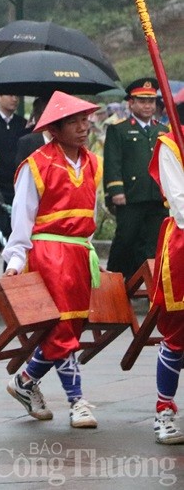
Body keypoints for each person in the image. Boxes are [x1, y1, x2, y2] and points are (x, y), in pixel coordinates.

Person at [1, 91, 101, 429]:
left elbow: (91, 213)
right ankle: (77, 402)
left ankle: (25, 381)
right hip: (47, 254)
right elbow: (22, 216)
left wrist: (92, 253)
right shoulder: (37, 164)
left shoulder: (92, 163)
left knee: (71, 327)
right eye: (73, 122)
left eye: (84, 120)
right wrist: (15, 259)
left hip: (78, 254)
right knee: (59, 328)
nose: (82, 127)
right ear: (54, 130)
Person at [104, 78, 169, 281]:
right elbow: (113, 161)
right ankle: (113, 281)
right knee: (126, 239)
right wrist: (116, 190)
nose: (148, 106)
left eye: (151, 101)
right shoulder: (119, 129)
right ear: (131, 103)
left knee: (153, 244)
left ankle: (149, 285)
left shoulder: (162, 130)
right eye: (142, 101)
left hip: (157, 196)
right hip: (131, 196)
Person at [146, 125, 184, 444]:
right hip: (183, 247)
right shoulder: (171, 144)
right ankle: (164, 411)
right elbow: (182, 207)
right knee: (177, 333)